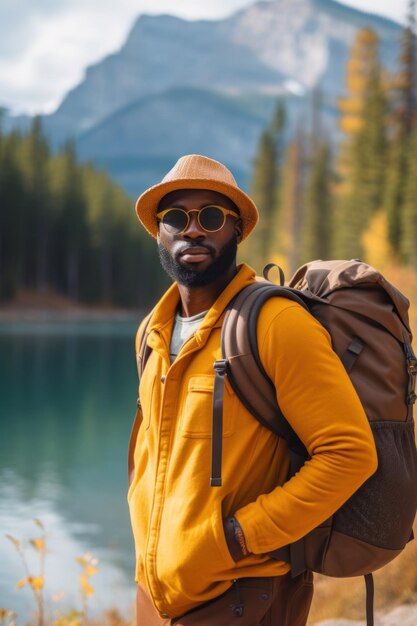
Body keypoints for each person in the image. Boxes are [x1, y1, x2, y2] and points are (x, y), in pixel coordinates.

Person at [128, 154, 378, 626]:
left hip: (245, 598)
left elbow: (349, 453)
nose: (193, 230)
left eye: (212, 217)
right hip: (156, 599)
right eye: (177, 218)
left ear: (237, 230)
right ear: (158, 233)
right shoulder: (151, 333)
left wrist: (238, 537)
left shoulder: (276, 323)